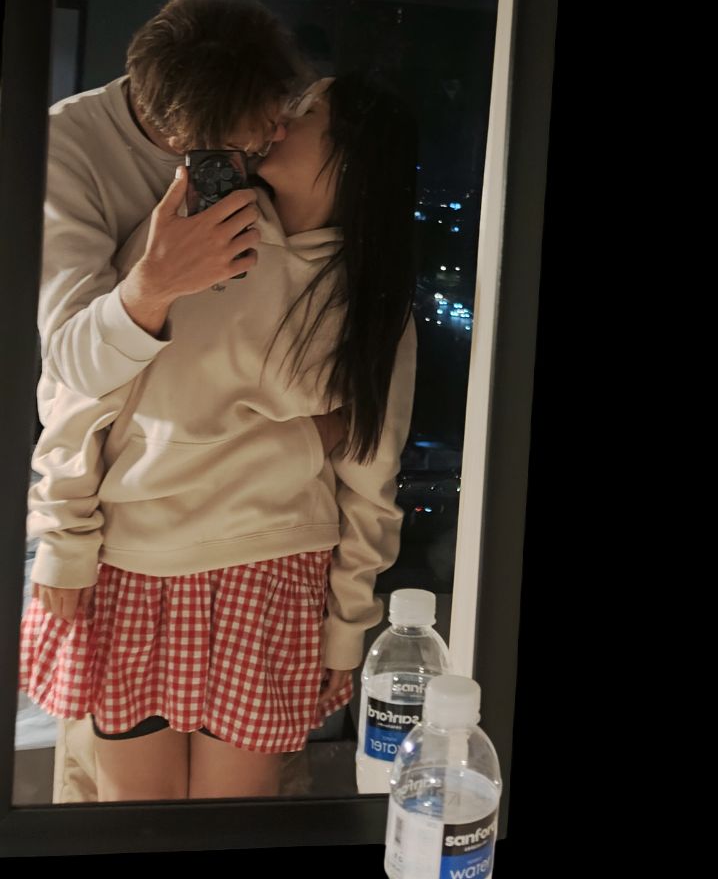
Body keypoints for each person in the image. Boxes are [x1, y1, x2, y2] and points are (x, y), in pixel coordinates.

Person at [20, 72, 419, 800]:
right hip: (134, 560)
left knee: (230, 820)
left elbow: (372, 475)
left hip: (273, 570)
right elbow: (86, 394)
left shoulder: (369, 298)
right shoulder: (200, 232)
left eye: (306, 110)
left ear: (353, 153)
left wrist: (348, 624)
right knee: (135, 823)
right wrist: (62, 537)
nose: (279, 120)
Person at [30, 0, 319, 801]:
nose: (278, 133)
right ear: (185, 135)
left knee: (241, 806)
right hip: (125, 525)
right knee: (125, 807)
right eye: (257, 129)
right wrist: (151, 286)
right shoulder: (69, 148)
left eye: (283, 112)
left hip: (252, 529)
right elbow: (70, 370)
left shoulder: (277, 160)